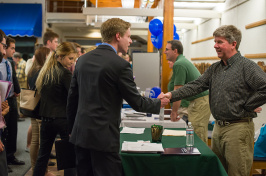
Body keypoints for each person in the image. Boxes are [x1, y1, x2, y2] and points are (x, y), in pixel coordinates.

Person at [67, 18, 169, 176]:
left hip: (81, 134)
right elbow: (137, 102)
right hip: (103, 138)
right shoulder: (120, 65)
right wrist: (158, 103)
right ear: (118, 36)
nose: (130, 40)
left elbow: (72, 98)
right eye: (128, 36)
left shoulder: (82, 60)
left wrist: (71, 129)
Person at [161, 25, 266, 176]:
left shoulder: (247, 67)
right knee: (218, 172)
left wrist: (249, 105)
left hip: (238, 129)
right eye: (215, 41)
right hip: (218, 128)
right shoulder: (215, 68)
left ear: (233, 44)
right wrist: (171, 95)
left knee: (237, 173)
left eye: (220, 42)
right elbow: (196, 85)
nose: (215, 45)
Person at [33, 42, 78, 176]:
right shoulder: (64, 74)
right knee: (69, 158)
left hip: (46, 119)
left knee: (43, 156)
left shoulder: (46, 72)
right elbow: (73, 97)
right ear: (60, 56)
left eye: (74, 59)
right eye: (70, 58)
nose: (72, 62)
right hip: (62, 119)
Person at [164, 40, 210, 144]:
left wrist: (174, 112)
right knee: (195, 133)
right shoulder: (181, 62)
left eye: (167, 49)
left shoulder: (179, 64)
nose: (165, 52)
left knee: (197, 135)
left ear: (175, 51)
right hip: (197, 101)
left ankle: (201, 158)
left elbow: (178, 92)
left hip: (200, 101)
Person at [27, 47, 54, 176]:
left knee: (35, 141)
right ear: (45, 57)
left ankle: (35, 168)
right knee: (42, 142)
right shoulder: (43, 72)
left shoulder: (32, 71)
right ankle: (43, 170)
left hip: (33, 109)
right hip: (42, 110)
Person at [0, 34, 24, 171]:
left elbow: (12, 79)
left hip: (11, 99)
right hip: (2, 100)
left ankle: (11, 156)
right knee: (4, 130)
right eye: (11, 48)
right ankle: (4, 161)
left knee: (13, 128)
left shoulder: (9, 63)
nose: (13, 51)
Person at [167, 59, 189, 124]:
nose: (168, 62)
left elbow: (178, 91)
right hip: (176, 107)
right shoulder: (174, 74)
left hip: (182, 108)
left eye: (171, 60)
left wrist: (174, 111)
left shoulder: (180, 72)